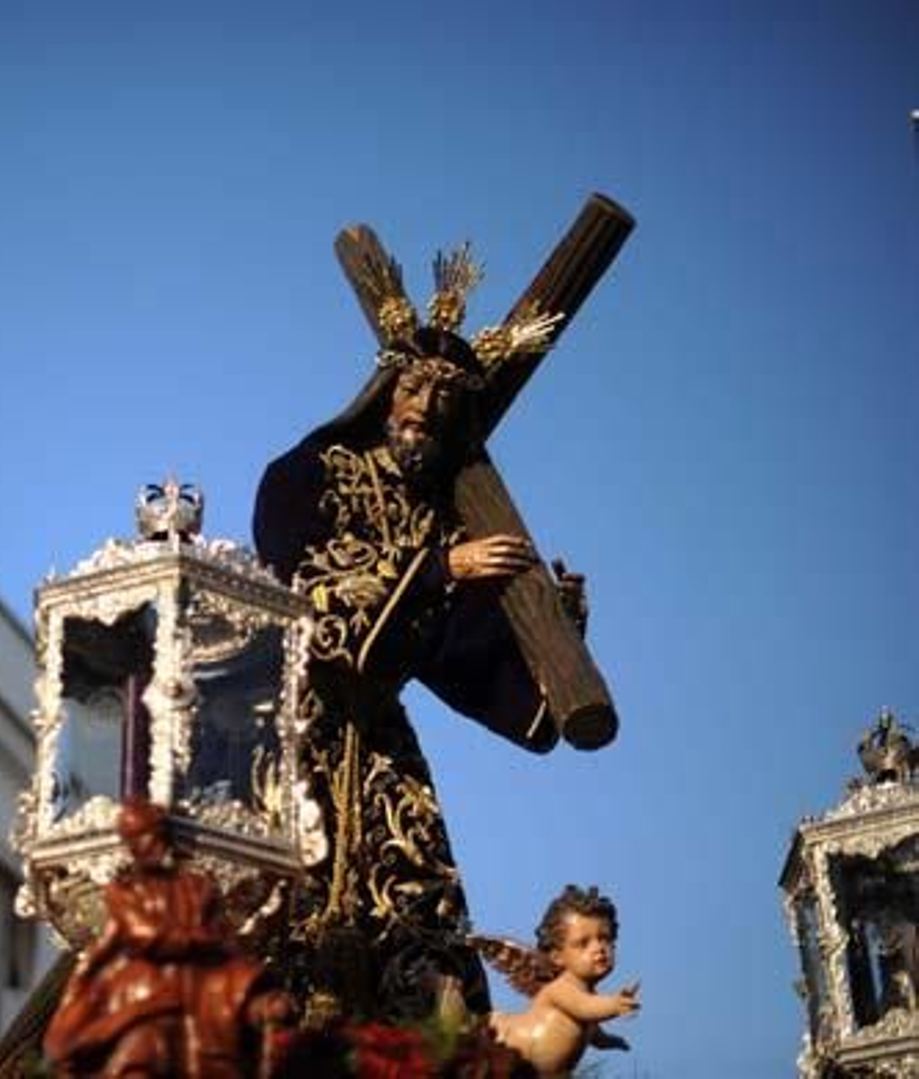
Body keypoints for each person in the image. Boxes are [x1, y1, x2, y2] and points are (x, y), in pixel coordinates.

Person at [253, 248, 584, 1022]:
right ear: (383, 390)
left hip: (381, 742)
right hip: (297, 726)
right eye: (411, 388)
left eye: (443, 399)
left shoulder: (437, 513)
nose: (424, 409)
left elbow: (465, 648)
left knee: (421, 921)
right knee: (282, 926)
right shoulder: (317, 472)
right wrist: (437, 569)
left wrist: (551, 630)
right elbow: (309, 591)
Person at [42, 801, 292, 1079]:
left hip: (199, 975)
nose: (155, 843)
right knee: (143, 1037)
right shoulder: (124, 891)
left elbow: (223, 941)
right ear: (133, 845)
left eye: (158, 834)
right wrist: (194, 937)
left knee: (224, 1006)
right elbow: (144, 934)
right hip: (148, 979)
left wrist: (260, 998)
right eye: (146, 836)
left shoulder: (197, 886)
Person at [483, 885, 639, 1077]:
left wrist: (610, 1041)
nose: (599, 948)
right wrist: (615, 1004)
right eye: (583, 943)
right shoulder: (561, 989)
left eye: (605, 939)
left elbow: (593, 1031)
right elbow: (586, 1007)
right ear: (557, 956)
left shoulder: (589, 998)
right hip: (513, 1047)